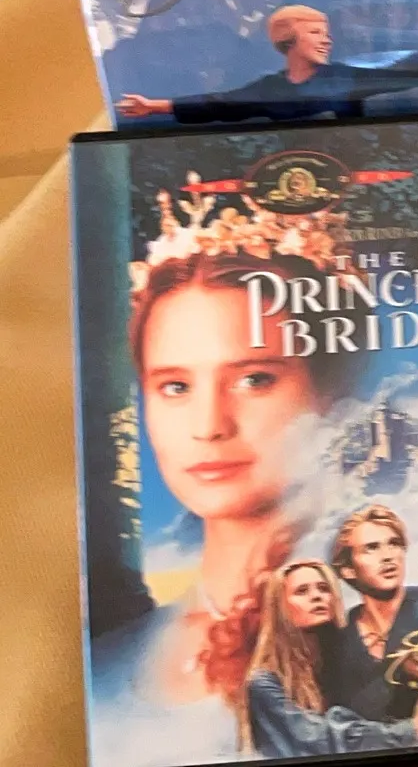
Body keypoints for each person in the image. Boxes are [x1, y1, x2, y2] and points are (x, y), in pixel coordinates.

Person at [87, 246, 353, 764]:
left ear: (327, 392)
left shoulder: (380, 620)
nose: (209, 425)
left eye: (255, 379)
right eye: (175, 386)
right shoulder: (107, 661)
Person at [115, 5, 418, 124]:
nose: (327, 40)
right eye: (314, 33)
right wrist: (154, 106)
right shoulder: (269, 88)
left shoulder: (345, 77)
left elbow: (409, 66)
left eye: (326, 33)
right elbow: (219, 103)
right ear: (288, 41)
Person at [240, 559, 418, 757]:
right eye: (302, 591)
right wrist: (408, 730)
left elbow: (374, 713)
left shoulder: (336, 665)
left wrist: (409, 674)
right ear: (280, 607)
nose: (317, 596)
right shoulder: (264, 682)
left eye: (323, 588)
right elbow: (322, 739)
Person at [321, 505, 418, 728]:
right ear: (348, 569)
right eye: (371, 548)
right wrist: (403, 675)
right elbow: (345, 717)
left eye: (394, 544)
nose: (388, 556)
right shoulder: (338, 641)